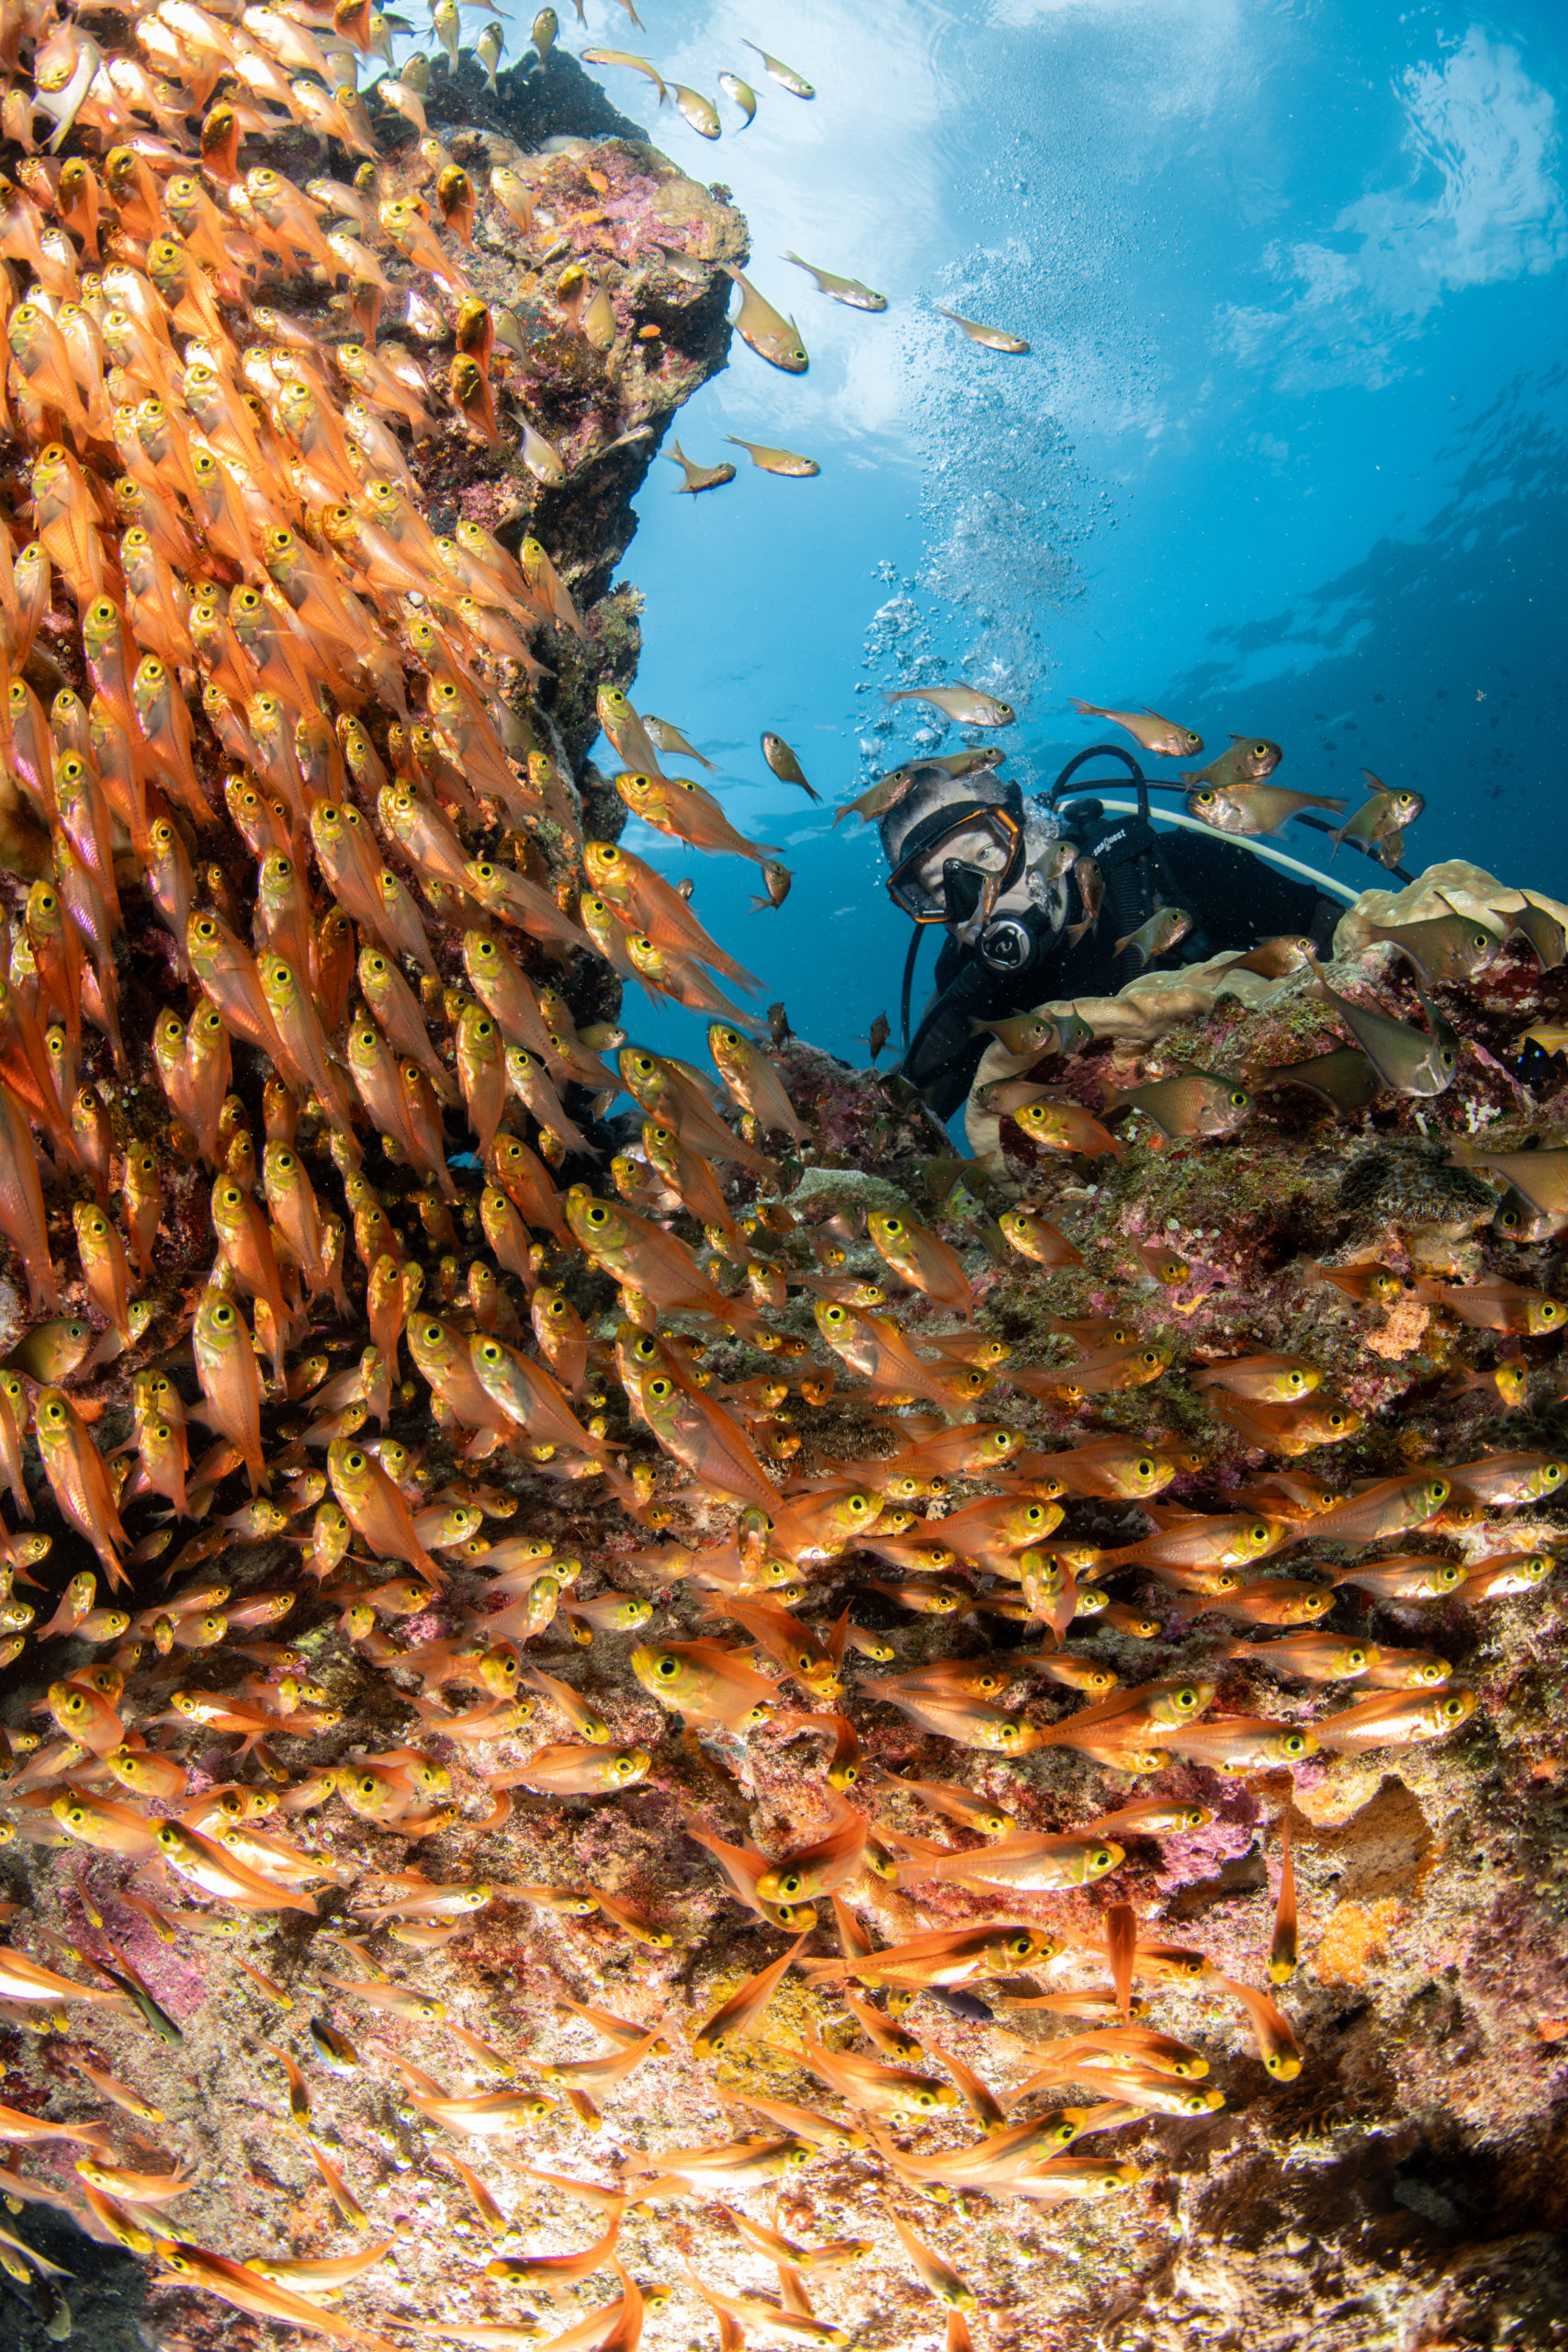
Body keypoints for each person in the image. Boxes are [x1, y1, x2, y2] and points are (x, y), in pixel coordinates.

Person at [883, 749, 1348, 1118]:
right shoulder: (969, 988)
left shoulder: (1173, 870)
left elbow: (1340, 939)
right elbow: (912, 1117)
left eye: (987, 853)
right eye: (942, 890)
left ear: (1032, 826)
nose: (982, 899)